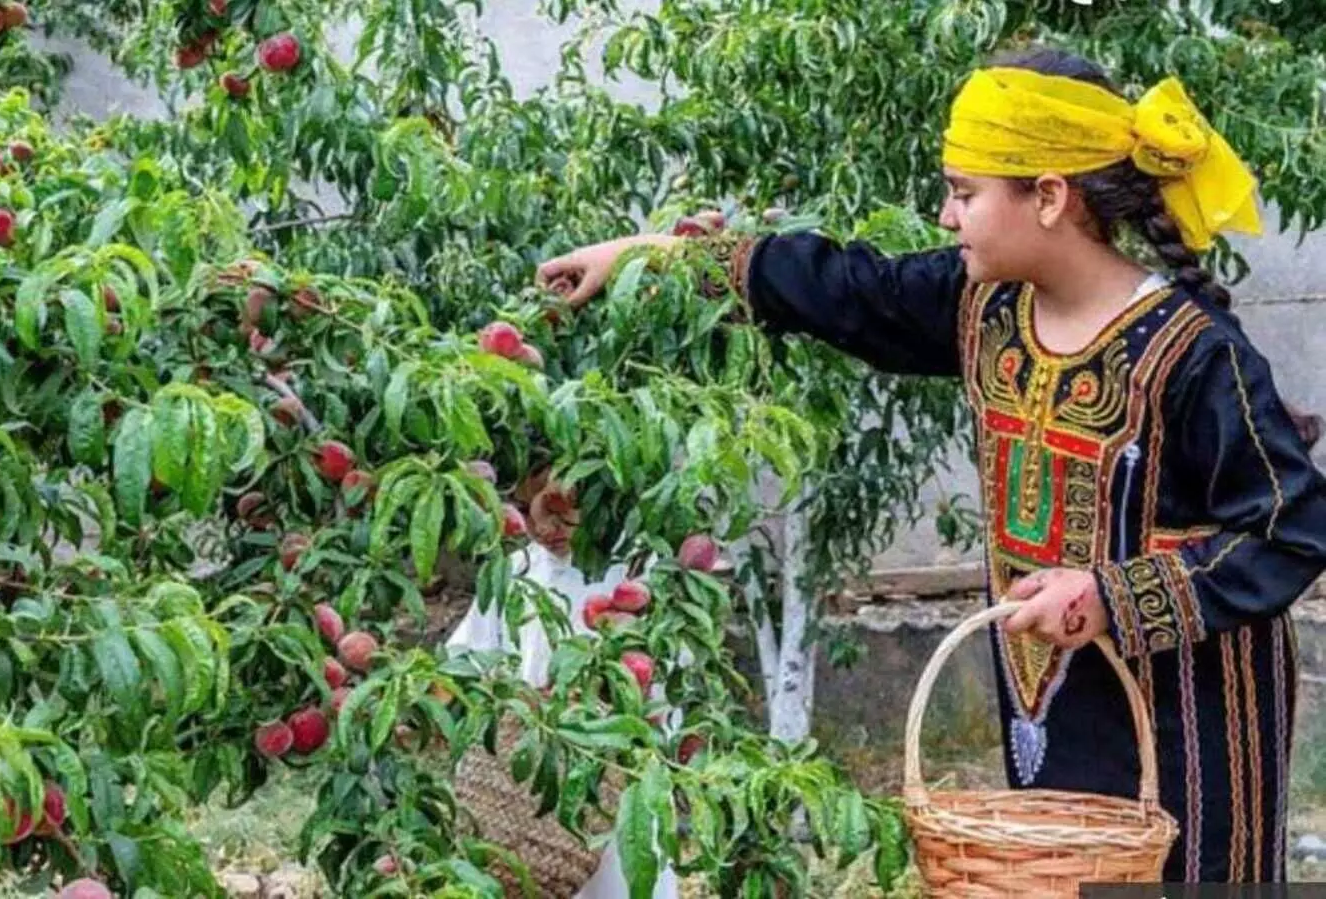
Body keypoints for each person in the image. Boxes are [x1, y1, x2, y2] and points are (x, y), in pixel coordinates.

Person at [534, 45, 1326, 885]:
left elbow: (1290, 528)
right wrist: (650, 257)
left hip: (1190, 720)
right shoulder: (982, 307)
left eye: (963, 193)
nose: (947, 218)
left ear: (1049, 197)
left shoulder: (1191, 355)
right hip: (1049, 697)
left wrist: (1107, 595)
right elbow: (845, 286)